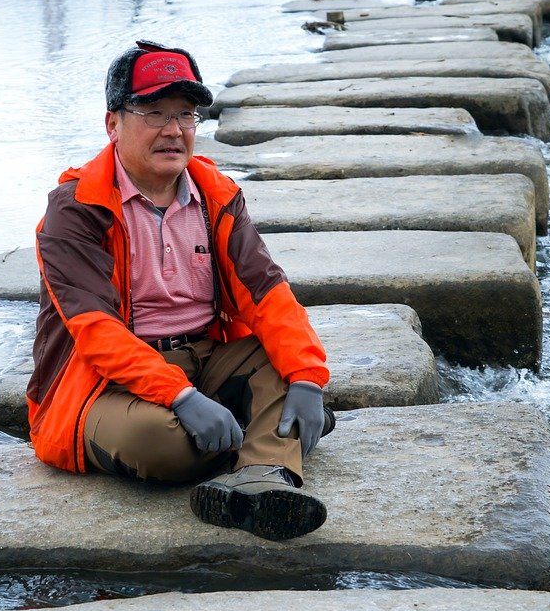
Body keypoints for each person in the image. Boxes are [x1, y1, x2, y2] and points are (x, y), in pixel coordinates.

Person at [28, 39, 332, 541]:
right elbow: (97, 333)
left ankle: (262, 479)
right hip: (105, 384)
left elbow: (267, 294)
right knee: (160, 443)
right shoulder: (76, 209)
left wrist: (306, 378)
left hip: (208, 357)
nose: (173, 130)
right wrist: (181, 396)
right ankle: (269, 434)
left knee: (286, 366)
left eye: (186, 115)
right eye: (153, 112)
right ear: (113, 123)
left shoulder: (217, 195)